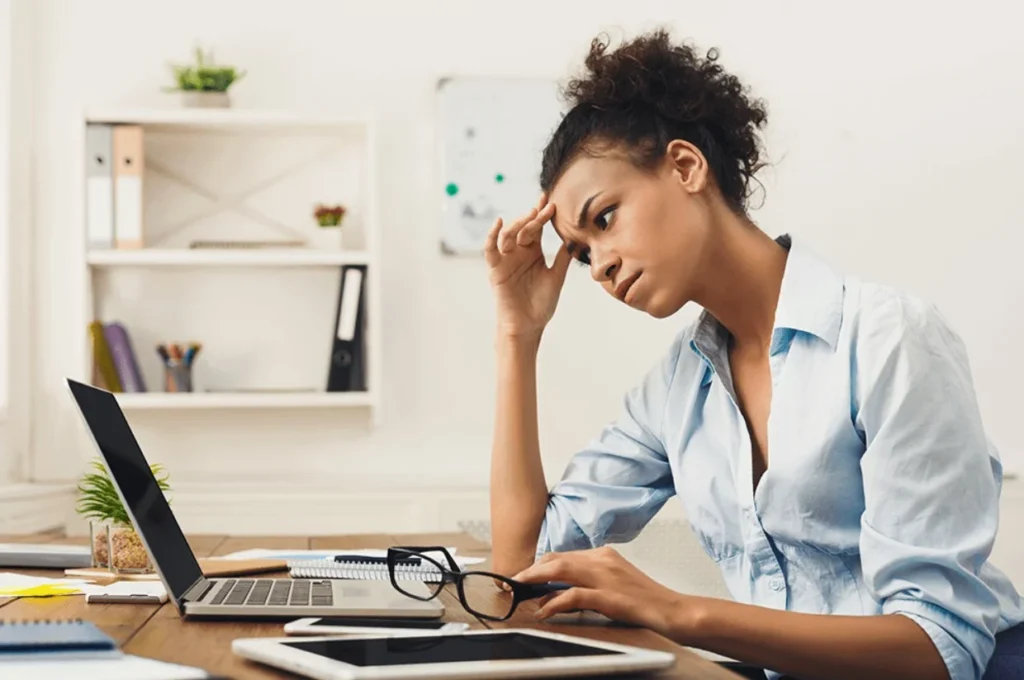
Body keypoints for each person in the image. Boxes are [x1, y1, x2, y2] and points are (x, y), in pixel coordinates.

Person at [483, 28, 1024, 680]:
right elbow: (521, 561)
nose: (598, 266)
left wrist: (680, 612)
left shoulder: (890, 338)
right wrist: (520, 335)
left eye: (603, 219)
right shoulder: (680, 387)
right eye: (580, 252)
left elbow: (940, 650)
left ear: (685, 167)